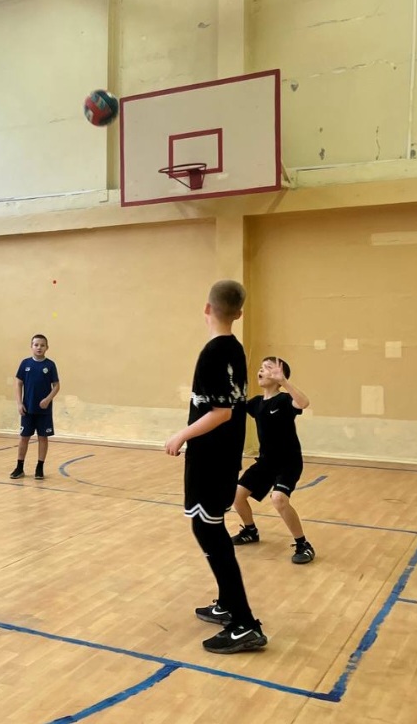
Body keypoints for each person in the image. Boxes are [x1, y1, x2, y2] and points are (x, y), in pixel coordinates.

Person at [164, 280, 267, 654]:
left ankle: (244, 624)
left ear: (207, 308)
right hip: (221, 456)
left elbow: (221, 412)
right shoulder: (234, 348)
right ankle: (227, 603)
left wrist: (182, 434)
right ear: (238, 313)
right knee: (205, 525)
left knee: (209, 530)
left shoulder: (214, 353)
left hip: (211, 457)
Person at [230, 356, 315, 564]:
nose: (261, 370)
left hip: (288, 462)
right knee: (237, 496)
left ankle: (303, 544)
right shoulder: (256, 403)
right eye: (261, 367)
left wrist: (284, 382)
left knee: (279, 499)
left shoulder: (284, 400)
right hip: (265, 463)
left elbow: (303, 403)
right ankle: (250, 531)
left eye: (268, 368)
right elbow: (232, 409)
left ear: (279, 376)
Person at [10, 334, 59, 480]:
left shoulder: (50, 365)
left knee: (43, 438)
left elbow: (56, 386)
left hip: (44, 411)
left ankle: (39, 467)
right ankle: (19, 467)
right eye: (36, 345)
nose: (39, 347)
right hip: (28, 409)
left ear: (47, 347)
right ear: (31, 346)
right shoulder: (25, 364)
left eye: (42, 345)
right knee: (24, 437)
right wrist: (19, 403)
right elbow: (18, 383)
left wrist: (48, 399)